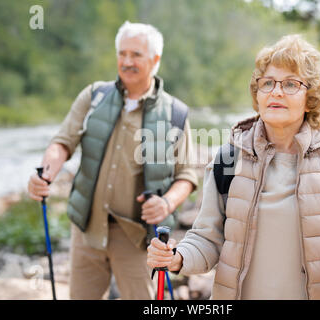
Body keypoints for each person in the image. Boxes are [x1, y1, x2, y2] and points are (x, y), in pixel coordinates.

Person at [147, 34, 320, 300]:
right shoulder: (228, 158)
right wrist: (176, 258)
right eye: (267, 83)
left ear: (310, 96)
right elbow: (208, 240)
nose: (276, 91)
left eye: (291, 84)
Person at [28, 21, 198, 300]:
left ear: (155, 60)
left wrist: (166, 203)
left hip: (138, 238)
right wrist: (45, 175)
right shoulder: (94, 96)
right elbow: (62, 142)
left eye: (136, 55)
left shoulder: (175, 113)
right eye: (122, 54)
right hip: (86, 230)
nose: (127, 61)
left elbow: (187, 175)